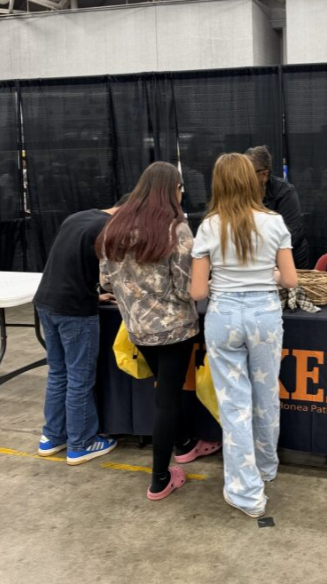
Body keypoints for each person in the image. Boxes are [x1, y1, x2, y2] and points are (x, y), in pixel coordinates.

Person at [97, 162, 220, 501]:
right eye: (181, 189)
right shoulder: (175, 230)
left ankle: (184, 445)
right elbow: (186, 288)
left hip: (137, 329)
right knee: (166, 400)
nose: (182, 195)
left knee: (165, 391)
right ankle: (159, 479)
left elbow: (106, 280)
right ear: (172, 190)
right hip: (175, 331)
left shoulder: (114, 226)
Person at [190, 153, 297, 518]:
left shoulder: (208, 227)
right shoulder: (275, 222)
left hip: (224, 316)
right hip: (264, 314)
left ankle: (246, 492)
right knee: (265, 396)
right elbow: (291, 280)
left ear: (217, 183)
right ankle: (266, 468)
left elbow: (198, 292)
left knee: (234, 404)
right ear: (254, 181)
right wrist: (266, 277)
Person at [34, 195, 130, 465]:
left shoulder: (78, 216)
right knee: (79, 378)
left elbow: (70, 266)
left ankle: (53, 437)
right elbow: (112, 279)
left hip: (46, 302)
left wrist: (93, 294)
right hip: (74, 311)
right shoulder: (108, 229)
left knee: (58, 373)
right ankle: (82, 443)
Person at [245, 146, 309, 268]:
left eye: (247, 173)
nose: (241, 177)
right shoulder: (239, 193)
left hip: (289, 260)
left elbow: (290, 235)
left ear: (264, 174)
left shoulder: (285, 192)